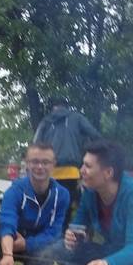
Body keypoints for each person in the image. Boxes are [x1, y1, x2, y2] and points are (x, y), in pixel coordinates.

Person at [0, 142, 70, 265]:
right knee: (0, 226)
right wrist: (8, 253)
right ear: (27, 164)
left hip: (35, 244)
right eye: (35, 161)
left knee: (55, 247)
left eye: (46, 162)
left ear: (54, 164)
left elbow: (54, 232)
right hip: (14, 239)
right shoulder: (15, 190)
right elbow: (7, 221)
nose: (40, 167)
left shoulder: (62, 195)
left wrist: (27, 244)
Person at [33, 98, 101, 231]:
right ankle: (68, 233)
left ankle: (48, 234)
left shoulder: (46, 121)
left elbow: (36, 143)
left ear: (53, 108)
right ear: (67, 106)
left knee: (49, 204)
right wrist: (89, 151)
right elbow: (94, 135)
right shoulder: (77, 118)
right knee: (68, 203)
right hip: (71, 171)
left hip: (49, 171)